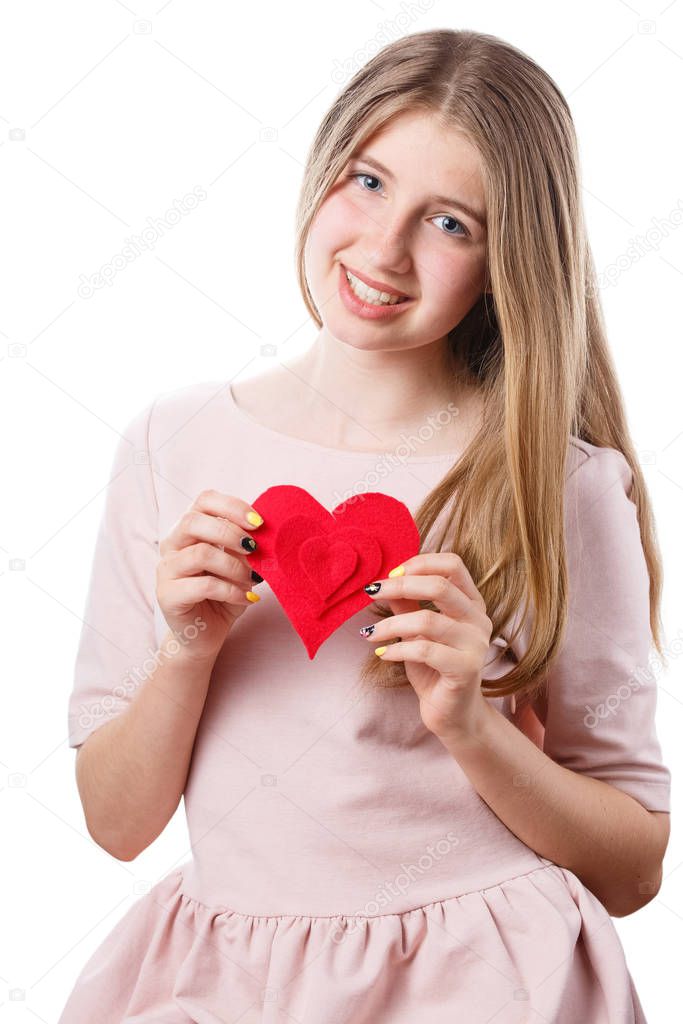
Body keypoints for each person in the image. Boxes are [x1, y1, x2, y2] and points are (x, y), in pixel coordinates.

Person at [58, 27, 671, 1024]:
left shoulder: (557, 485)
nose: (382, 250)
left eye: (450, 223)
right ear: (321, 167)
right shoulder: (170, 443)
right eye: (368, 181)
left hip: (480, 982)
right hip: (226, 984)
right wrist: (184, 651)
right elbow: (116, 824)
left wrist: (469, 722)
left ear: (506, 257)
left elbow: (632, 867)